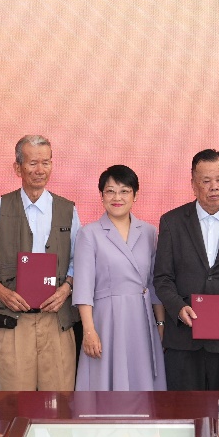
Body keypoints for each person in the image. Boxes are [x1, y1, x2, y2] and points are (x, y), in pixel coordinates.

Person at [0, 135, 80, 391]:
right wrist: (2, 292)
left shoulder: (68, 209)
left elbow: (79, 260)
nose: (40, 170)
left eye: (46, 162)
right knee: (15, 401)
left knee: (58, 401)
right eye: (32, 163)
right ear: (18, 167)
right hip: (13, 319)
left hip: (56, 319)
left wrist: (66, 289)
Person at [153, 149, 219, 391]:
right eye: (206, 181)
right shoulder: (171, 222)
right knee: (184, 410)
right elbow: (163, 278)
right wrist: (178, 308)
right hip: (184, 339)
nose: (214, 187)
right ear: (193, 184)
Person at [74, 165, 167, 391]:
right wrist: (89, 330)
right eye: (110, 191)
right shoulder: (89, 233)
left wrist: (160, 324)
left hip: (142, 319)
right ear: (101, 195)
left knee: (142, 384)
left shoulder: (149, 232)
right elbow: (83, 287)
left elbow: (154, 282)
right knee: (106, 387)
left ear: (135, 195)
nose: (117, 198)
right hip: (106, 321)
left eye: (124, 191)